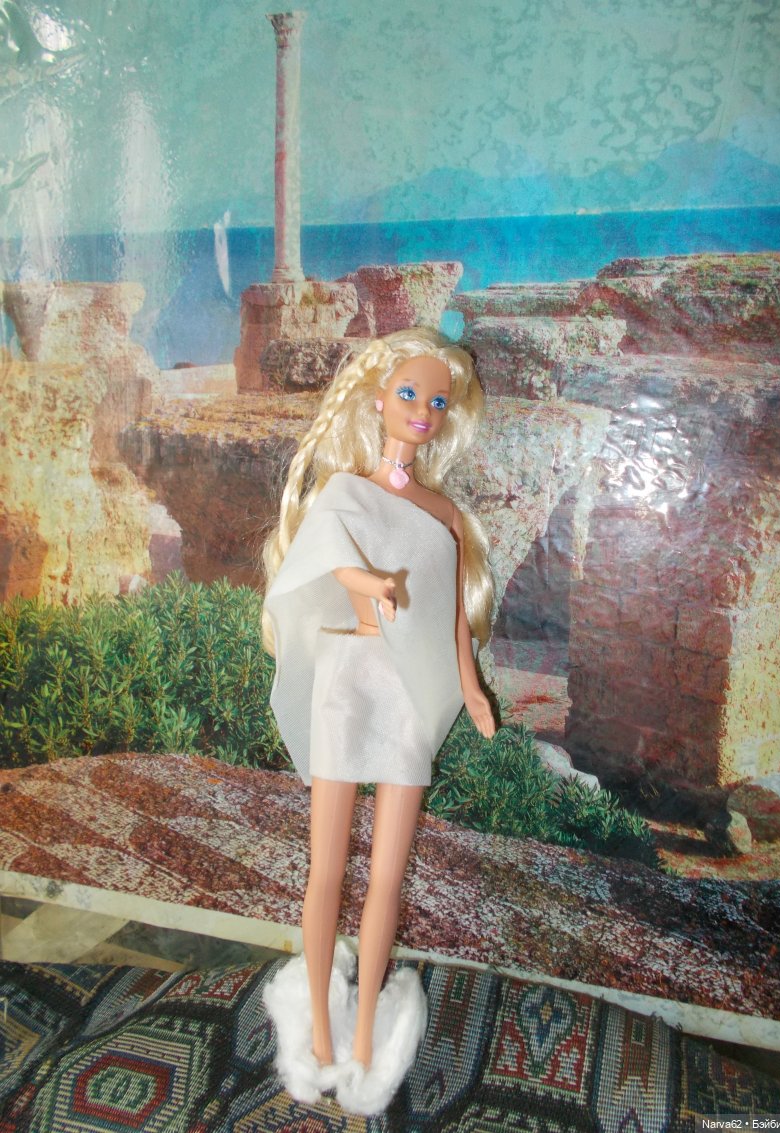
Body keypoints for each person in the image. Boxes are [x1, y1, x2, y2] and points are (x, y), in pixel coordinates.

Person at [261, 327, 495, 1113]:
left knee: (387, 872)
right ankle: (322, 1034)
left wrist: (470, 686)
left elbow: (452, 616)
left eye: (438, 401)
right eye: (409, 394)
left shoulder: (443, 514)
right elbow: (324, 562)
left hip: (406, 692)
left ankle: (365, 1035)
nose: (423, 411)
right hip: (347, 678)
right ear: (378, 400)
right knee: (326, 867)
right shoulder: (344, 492)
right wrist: (370, 582)